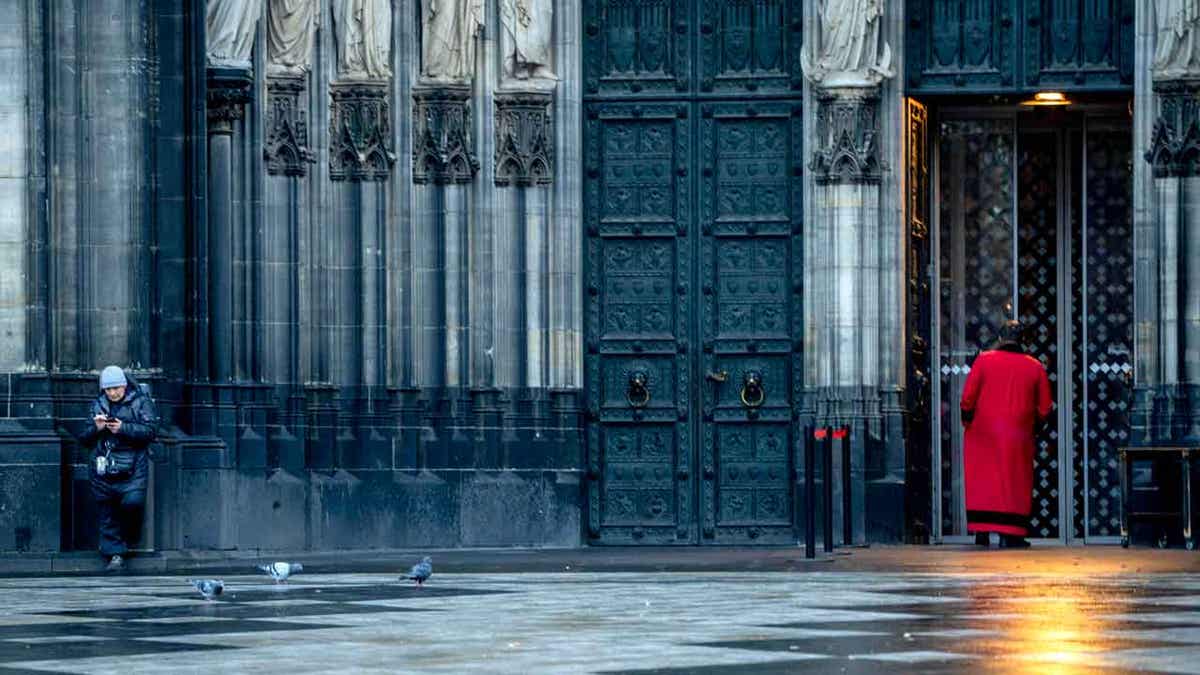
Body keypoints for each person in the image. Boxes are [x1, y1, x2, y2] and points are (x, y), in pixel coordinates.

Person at [959, 320, 1053, 549]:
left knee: (982, 480)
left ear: (1000, 337)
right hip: (1018, 434)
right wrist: (1034, 427)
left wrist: (968, 421)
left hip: (983, 432)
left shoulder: (983, 361)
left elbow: (968, 398)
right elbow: (1045, 407)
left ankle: (981, 531)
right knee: (1015, 481)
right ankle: (1012, 534)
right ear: (1023, 340)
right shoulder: (1035, 367)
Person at [79, 366, 158, 572]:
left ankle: (127, 540)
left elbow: (150, 431)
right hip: (104, 465)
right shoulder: (98, 404)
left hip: (133, 465)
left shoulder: (141, 402)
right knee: (107, 509)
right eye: (108, 389)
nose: (112, 393)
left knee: (132, 502)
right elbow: (84, 438)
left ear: (124, 385)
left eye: (116, 388)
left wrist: (123, 428)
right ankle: (115, 554)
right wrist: (97, 428)